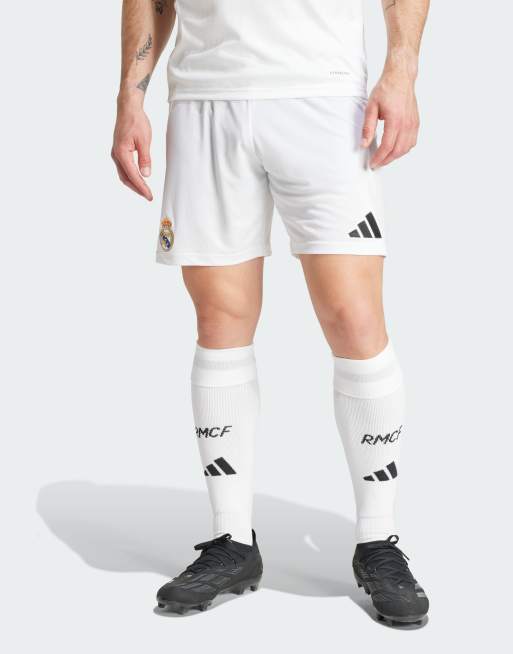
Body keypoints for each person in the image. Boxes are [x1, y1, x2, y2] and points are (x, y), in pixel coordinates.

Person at [112, 0, 430, 624]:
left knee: (353, 318)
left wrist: (402, 69)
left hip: (323, 93)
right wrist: (130, 95)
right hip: (206, 95)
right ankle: (232, 539)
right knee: (220, 320)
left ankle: (378, 539)